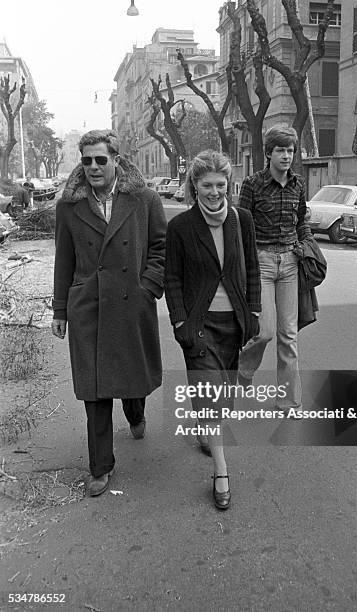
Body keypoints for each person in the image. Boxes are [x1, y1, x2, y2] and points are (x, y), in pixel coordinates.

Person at [52, 129, 167, 497]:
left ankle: (136, 412)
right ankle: (101, 466)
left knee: (131, 378)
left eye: (101, 159)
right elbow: (63, 260)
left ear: (116, 159)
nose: (93, 167)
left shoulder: (144, 199)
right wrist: (60, 309)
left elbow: (161, 249)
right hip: (88, 305)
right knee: (95, 389)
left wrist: (147, 286)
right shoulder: (69, 206)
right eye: (86, 160)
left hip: (131, 301)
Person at [165, 150, 261, 510]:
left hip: (233, 325)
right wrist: (179, 321)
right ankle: (221, 470)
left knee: (222, 399)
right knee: (210, 398)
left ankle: (206, 430)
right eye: (207, 185)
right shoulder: (180, 227)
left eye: (221, 184)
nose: (214, 192)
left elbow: (251, 267)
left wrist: (253, 312)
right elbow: (172, 279)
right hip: (199, 327)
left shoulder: (242, 220)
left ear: (228, 185)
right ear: (195, 185)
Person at [237, 125, 312, 414]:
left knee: (288, 336)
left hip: (290, 263)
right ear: (269, 153)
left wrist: (305, 244)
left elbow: (301, 220)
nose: (286, 156)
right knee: (265, 332)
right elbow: (241, 226)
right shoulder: (252, 184)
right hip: (262, 262)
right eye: (280, 150)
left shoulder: (298, 184)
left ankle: (288, 401)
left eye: (290, 150)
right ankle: (244, 368)